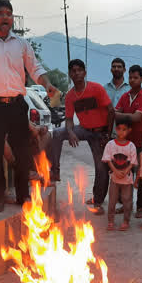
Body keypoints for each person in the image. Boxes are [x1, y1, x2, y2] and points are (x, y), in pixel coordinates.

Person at [0, 0, 59, 212]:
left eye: (9, 13)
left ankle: (23, 195)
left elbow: (34, 68)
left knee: (23, 152)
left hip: (17, 105)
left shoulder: (22, 44)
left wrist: (47, 84)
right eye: (0, 13)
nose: (5, 17)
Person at [47, 59, 115, 214]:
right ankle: (55, 170)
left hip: (100, 132)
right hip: (84, 129)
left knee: (101, 167)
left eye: (79, 70)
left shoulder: (96, 88)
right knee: (57, 133)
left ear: (84, 72)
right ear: (70, 74)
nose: (76, 73)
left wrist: (107, 135)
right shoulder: (70, 96)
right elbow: (69, 119)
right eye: (73, 70)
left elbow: (111, 111)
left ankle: (97, 201)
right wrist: (70, 132)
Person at [114, 64, 142, 217]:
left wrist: (122, 116)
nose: (132, 80)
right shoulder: (125, 96)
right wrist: (128, 116)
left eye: (136, 77)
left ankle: (141, 207)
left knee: (141, 176)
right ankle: (126, 205)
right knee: (126, 175)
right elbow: (114, 114)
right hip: (126, 143)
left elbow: (137, 118)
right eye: (130, 77)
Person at [102, 119, 137, 231]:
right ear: (115, 129)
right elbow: (108, 160)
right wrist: (115, 171)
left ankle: (126, 221)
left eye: (124, 129)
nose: (121, 132)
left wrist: (126, 171)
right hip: (114, 179)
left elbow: (133, 162)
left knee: (127, 201)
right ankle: (110, 221)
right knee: (112, 201)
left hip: (127, 180)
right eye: (119, 129)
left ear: (129, 130)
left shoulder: (131, 146)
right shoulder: (110, 144)